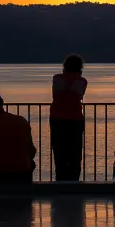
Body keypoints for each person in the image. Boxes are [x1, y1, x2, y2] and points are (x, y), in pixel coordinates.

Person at [0, 89, 37, 183]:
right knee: (32, 164)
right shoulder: (21, 121)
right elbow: (32, 151)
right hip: (23, 174)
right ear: (2, 102)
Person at [49, 53, 87, 181]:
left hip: (57, 118)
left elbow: (57, 93)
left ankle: (60, 180)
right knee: (75, 153)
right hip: (75, 119)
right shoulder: (81, 81)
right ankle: (74, 181)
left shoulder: (57, 78)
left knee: (59, 151)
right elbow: (79, 94)